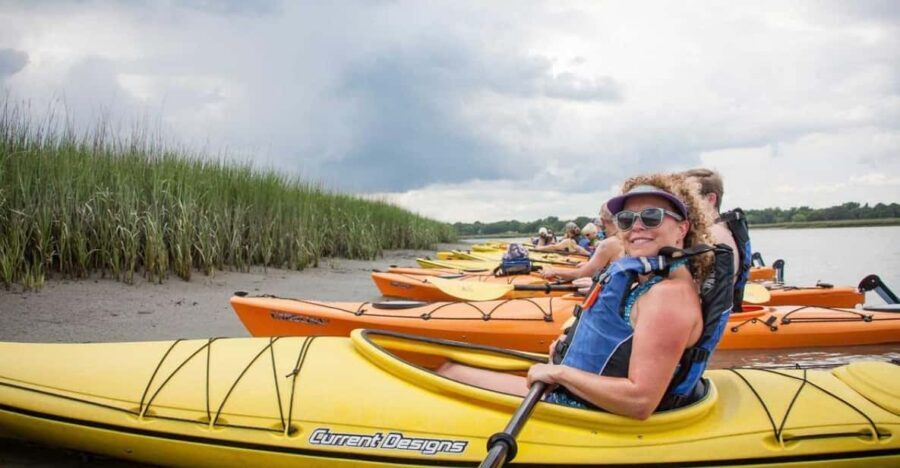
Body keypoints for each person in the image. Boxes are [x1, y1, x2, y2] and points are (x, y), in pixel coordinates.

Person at [439, 173, 728, 420]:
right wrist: (568, 353)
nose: (636, 226)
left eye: (651, 217)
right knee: (450, 368)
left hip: (582, 412)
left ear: (682, 229)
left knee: (449, 373)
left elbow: (640, 401)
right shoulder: (653, 279)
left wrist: (560, 374)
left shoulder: (668, 297)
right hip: (581, 397)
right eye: (626, 220)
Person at [683, 168, 752, 310]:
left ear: (710, 199)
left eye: (686, 198)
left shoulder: (712, 235)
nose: (680, 204)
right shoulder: (725, 229)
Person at [539, 203, 624, 284]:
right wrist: (591, 264)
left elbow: (582, 274)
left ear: (602, 220)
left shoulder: (608, 244)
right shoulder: (627, 240)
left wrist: (555, 271)